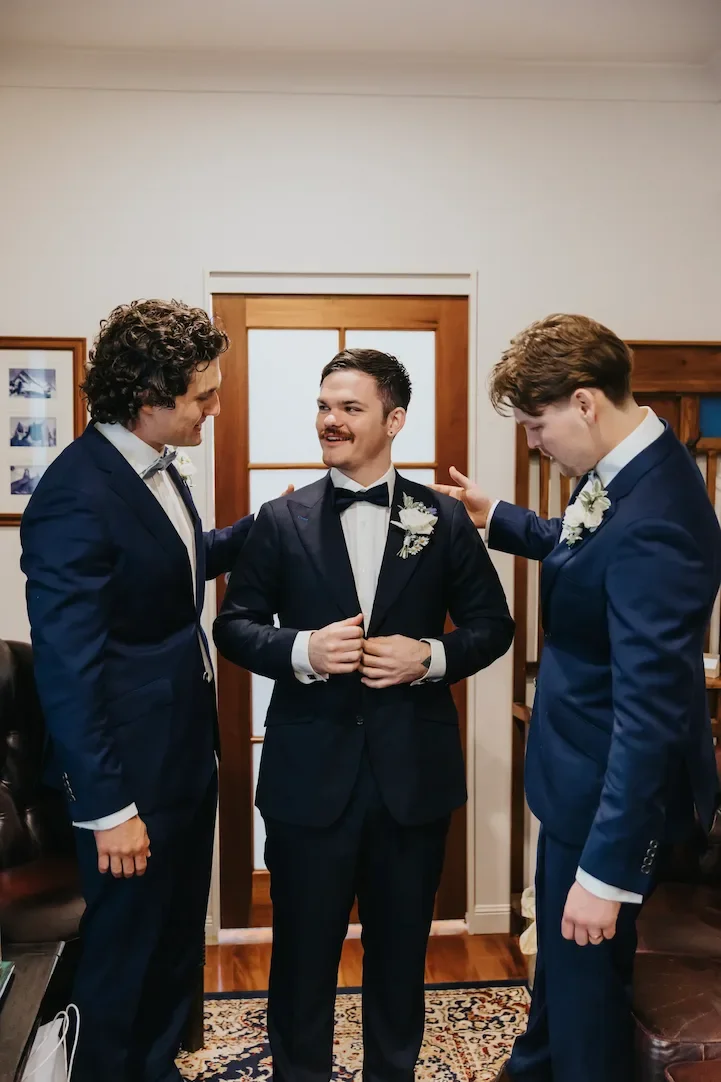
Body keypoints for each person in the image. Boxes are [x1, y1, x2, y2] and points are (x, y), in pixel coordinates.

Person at [432, 314, 721, 1082]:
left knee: (588, 999)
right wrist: (500, 519)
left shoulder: (657, 518)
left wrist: (606, 875)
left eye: (535, 424)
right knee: (560, 988)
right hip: (576, 780)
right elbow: (583, 543)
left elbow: (649, 714)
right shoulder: (633, 468)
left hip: (608, 802)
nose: (533, 443)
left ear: (584, 403)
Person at [213, 347, 514, 1082]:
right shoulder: (278, 519)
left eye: (349, 408)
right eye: (323, 405)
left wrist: (430, 658)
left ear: (394, 420)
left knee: (399, 959)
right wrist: (303, 649)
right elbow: (234, 624)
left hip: (412, 780)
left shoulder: (439, 519)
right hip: (305, 779)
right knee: (301, 962)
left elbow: (491, 625)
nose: (330, 421)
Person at [21, 299, 255, 1082]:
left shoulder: (150, 469)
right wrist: (107, 810)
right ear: (149, 399)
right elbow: (67, 665)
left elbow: (174, 563)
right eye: (204, 395)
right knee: (122, 963)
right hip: (126, 779)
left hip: (183, 753)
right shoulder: (75, 494)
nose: (216, 408)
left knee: (171, 944)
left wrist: (268, 525)